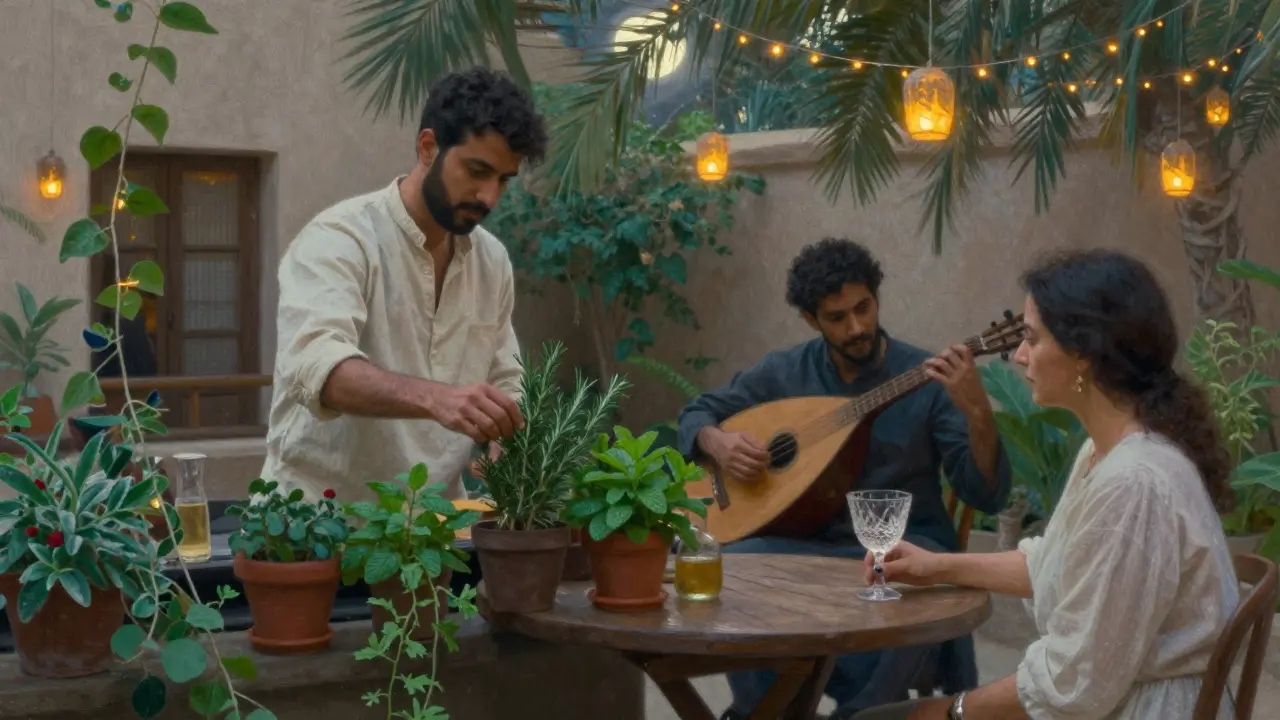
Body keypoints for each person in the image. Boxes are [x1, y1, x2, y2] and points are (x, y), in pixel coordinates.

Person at [853, 249, 1240, 720]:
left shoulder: (1134, 483)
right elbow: (1055, 563)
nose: (1017, 356)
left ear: (1083, 354)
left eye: (1032, 340)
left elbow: (1071, 685)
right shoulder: (1110, 450)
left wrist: (949, 710)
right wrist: (934, 566)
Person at [676, 237, 1012, 720]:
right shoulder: (786, 372)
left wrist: (977, 410)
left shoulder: (926, 381)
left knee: (914, 587)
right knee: (734, 565)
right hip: (808, 546)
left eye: (864, 308)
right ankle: (768, 710)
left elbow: (987, 493)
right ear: (812, 320)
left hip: (901, 546)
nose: (857, 327)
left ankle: (861, 716)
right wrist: (717, 442)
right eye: (837, 318)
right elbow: (699, 412)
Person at [260, 67, 548, 501]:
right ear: (428, 148)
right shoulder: (340, 238)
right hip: (315, 533)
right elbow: (317, 370)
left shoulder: (491, 260)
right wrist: (439, 399)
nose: (489, 197)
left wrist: (508, 433)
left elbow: (508, 377)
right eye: (476, 170)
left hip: (435, 538)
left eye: (503, 180)